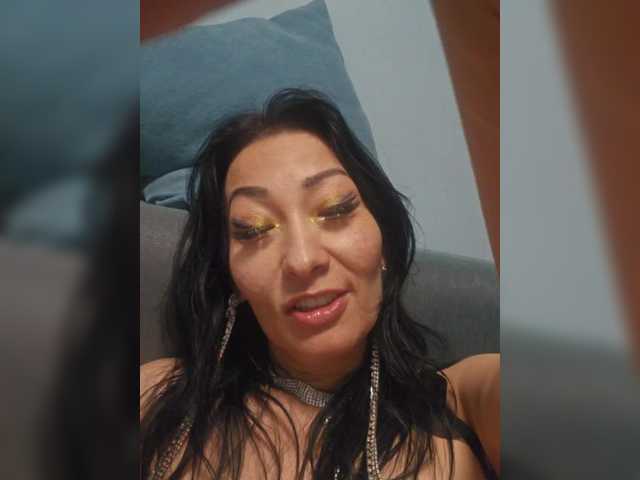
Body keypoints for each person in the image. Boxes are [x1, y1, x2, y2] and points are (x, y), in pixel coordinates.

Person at [140, 89, 499, 479]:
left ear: (384, 240)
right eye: (254, 229)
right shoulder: (157, 397)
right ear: (231, 276)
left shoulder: (463, 404)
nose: (303, 260)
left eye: (335, 209)